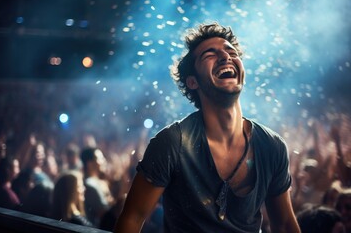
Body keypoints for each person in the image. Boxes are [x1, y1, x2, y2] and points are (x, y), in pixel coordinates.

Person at [114, 22, 300, 233]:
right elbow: (132, 219)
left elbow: (284, 225)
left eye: (231, 52)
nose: (226, 57)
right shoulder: (173, 144)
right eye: (209, 54)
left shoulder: (271, 146)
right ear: (192, 82)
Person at [80, 147, 114, 227]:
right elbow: (105, 214)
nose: (104, 161)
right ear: (89, 163)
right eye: (100, 158)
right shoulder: (90, 186)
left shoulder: (99, 182)